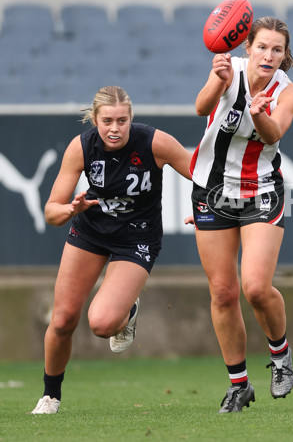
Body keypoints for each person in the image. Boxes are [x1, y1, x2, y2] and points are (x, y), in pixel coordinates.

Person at [31, 85, 192, 414]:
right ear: (94, 119)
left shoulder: (154, 142)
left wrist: (204, 208)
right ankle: (50, 396)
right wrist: (71, 210)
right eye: (107, 121)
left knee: (103, 325)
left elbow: (200, 174)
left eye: (122, 120)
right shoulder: (81, 148)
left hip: (137, 237)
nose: (115, 128)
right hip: (90, 232)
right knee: (62, 320)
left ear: (131, 118)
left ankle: (126, 309)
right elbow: (51, 212)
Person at [188, 16, 293, 413]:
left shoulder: (289, 92)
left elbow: (274, 134)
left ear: (285, 56)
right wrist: (217, 80)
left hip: (261, 192)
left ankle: (281, 353)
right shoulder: (227, 70)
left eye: (277, 49)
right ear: (246, 48)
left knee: (255, 287)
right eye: (262, 47)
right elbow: (200, 107)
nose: (269, 55)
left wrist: (259, 114)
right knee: (222, 292)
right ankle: (239, 385)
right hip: (211, 189)